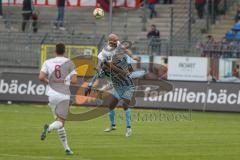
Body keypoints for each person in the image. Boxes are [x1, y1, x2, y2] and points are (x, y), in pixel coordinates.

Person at [85, 34, 135, 137]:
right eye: (114, 40)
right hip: (117, 86)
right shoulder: (105, 57)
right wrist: (89, 85)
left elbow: (130, 67)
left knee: (125, 105)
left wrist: (127, 70)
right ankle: (113, 125)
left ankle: (129, 128)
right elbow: (97, 74)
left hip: (127, 85)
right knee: (111, 105)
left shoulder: (121, 56)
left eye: (117, 40)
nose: (117, 42)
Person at [39, 43, 77, 155]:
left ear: (55, 51)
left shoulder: (48, 62)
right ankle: (49, 128)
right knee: (60, 122)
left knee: (59, 121)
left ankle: (67, 149)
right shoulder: (69, 62)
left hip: (52, 94)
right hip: (63, 94)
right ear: (64, 51)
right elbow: (74, 81)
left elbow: (41, 77)